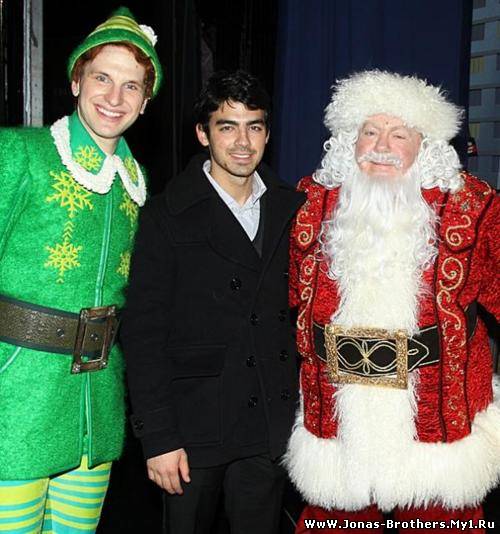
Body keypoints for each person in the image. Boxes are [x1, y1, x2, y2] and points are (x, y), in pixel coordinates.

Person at [285, 70, 500, 533]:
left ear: (425, 145)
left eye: (399, 134)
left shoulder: (473, 207)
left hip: (438, 423)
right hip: (335, 423)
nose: (381, 146)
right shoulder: (308, 202)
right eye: (370, 132)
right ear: (349, 141)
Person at [0, 7, 162, 533]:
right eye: (102, 78)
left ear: (145, 100)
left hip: (95, 412)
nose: (115, 97)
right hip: (15, 404)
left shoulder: (135, 182)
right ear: (76, 81)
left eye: (131, 86)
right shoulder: (20, 153)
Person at [122, 70, 305, 534]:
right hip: (193, 428)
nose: (243, 142)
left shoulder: (293, 208)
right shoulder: (166, 214)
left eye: (254, 126)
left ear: (267, 134)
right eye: (228, 126)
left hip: (268, 424)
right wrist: (158, 437)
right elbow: (143, 334)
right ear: (203, 134)